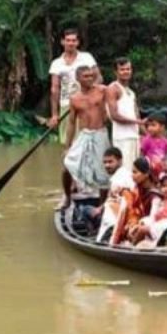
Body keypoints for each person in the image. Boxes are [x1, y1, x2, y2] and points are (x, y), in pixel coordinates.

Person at [48, 28, 101, 208]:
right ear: (62, 42)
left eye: (74, 40)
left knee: (88, 147)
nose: (71, 43)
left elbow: (98, 78)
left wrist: (91, 95)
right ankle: (70, 189)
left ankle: (87, 185)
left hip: (87, 104)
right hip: (66, 106)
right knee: (69, 149)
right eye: (67, 40)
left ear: (78, 42)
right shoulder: (57, 63)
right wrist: (55, 114)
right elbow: (55, 89)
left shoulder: (87, 58)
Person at [62, 66, 110, 209]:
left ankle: (102, 204)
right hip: (84, 134)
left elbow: (112, 107)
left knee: (103, 171)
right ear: (78, 79)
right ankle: (67, 197)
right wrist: (67, 146)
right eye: (86, 76)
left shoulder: (102, 90)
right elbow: (71, 122)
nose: (90, 78)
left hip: (100, 133)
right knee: (66, 165)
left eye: (91, 76)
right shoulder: (75, 98)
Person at [77, 147, 133, 236]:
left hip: (117, 219)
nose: (107, 165)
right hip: (124, 215)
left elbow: (114, 203)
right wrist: (101, 208)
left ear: (120, 161)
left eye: (110, 162)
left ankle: (93, 234)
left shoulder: (117, 180)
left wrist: (100, 209)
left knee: (84, 210)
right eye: (105, 162)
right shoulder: (127, 174)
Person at [111, 157, 162, 245]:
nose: (132, 175)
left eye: (135, 172)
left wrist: (137, 225)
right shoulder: (138, 189)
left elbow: (153, 219)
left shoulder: (155, 196)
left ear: (146, 174)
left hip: (146, 230)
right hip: (134, 223)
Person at [127, 170, 167, 246]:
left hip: (166, 227)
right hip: (159, 225)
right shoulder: (164, 200)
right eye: (164, 186)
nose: (165, 189)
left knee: (142, 229)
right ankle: (134, 242)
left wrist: (156, 218)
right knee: (139, 226)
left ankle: (133, 245)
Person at [106, 57, 144, 170]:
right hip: (122, 137)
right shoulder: (113, 88)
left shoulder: (131, 92)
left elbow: (137, 116)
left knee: (134, 169)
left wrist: (149, 136)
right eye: (122, 69)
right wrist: (136, 121)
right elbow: (114, 115)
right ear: (116, 72)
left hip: (134, 136)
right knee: (124, 169)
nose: (126, 72)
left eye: (128, 69)